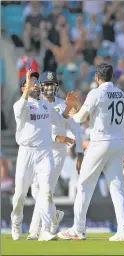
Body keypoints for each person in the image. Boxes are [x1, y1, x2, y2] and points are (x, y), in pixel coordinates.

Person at [57, 63, 124, 241]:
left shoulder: (96, 93)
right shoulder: (122, 94)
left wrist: (73, 111)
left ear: (97, 78)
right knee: (118, 187)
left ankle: (78, 229)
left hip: (100, 142)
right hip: (118, 143)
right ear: (112, 76)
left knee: (83, 184)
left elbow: (80, 118)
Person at [12, 70, 74, 241]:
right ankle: (16, 222)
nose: (36, 86)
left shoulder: (46, 105)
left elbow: (61, 119)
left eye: (36, 83)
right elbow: (20, 107)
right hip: (27, 153)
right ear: (24, 88)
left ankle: (46, 230)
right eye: (31, 84)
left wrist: (69, 107)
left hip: (45, 153)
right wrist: (27, 82)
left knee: (46, 192)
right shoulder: (21, 105)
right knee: (20, 195)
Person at [27, 71, 85, 240]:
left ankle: (35, 230)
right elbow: (36, 130)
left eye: (52, 85)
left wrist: (80, 152)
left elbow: (77, 130)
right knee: (36, 189)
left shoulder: (63, 105)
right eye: (46, 84)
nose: (49, 88)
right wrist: (54, 136)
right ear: (41, 86)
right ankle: (55, 215)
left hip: (57, 152)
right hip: (40, 150)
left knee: (46, 188)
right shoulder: (35, 105)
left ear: (56, 86)